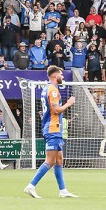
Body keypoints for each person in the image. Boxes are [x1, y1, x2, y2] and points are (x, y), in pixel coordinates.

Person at [25, 66, 78, 199]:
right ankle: (31, 186)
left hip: (54, 128)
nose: (63, 77)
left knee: (59, 160)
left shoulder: (47, 88)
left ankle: (63, 190)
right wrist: (69, 103)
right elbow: (55, 110)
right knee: (50, 161)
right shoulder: (53, 90)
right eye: (61, 74)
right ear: (55, 76)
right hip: (53, 128)